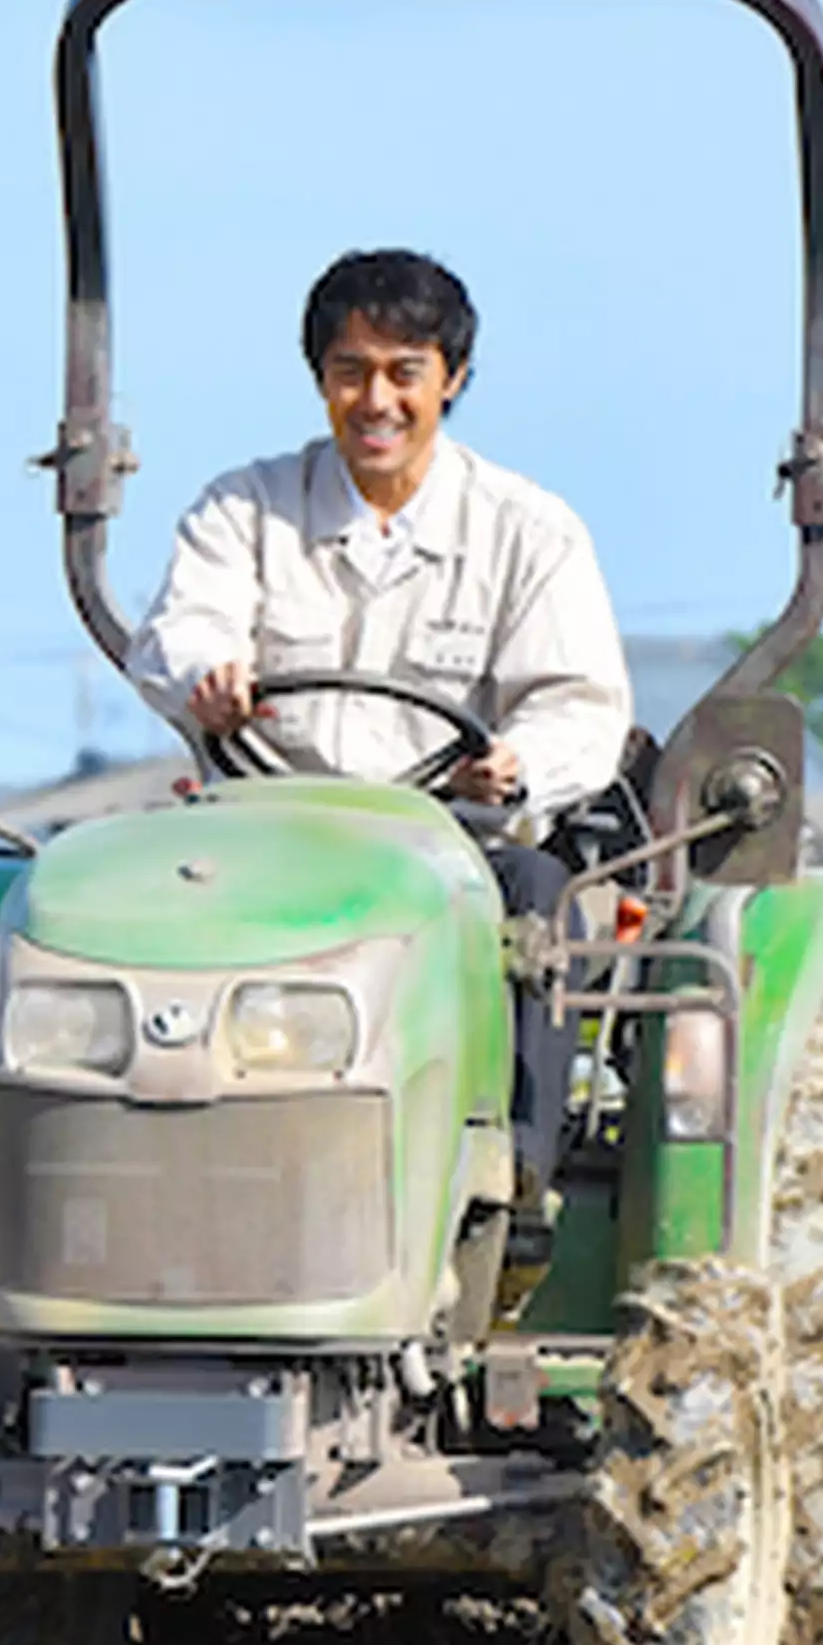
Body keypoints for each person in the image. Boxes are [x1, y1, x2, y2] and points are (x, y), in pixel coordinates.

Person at [125, 248, 634, 1189]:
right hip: (269, 829)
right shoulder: (244, 508)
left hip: (454, 840)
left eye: (405, 372)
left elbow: (581, 705)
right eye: (350, 371)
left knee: (537, 897)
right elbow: (178, 630)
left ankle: (513, 1173)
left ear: (453, 380)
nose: (376, 400)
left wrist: (517, 766)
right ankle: (144, 1155)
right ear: (319, 379)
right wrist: (206, 674)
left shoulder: (526, 529)